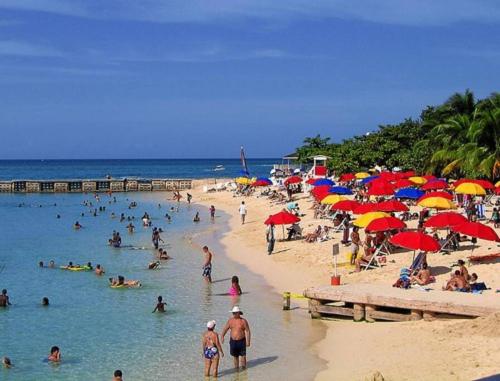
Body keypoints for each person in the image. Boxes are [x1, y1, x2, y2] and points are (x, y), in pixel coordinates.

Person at [221, 306, 251, 371]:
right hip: (233, 341)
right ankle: (236, 370)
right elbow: (225, 329)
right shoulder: (230, 321)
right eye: (233, 313)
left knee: (243, 356)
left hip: (242, 341)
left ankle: (244, 370)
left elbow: (248, 331)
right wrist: (222, 336)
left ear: (238, 313)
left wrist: (248, 341)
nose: (233, 314)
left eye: (234, 313)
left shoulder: (243, 321)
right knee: (235, 356)